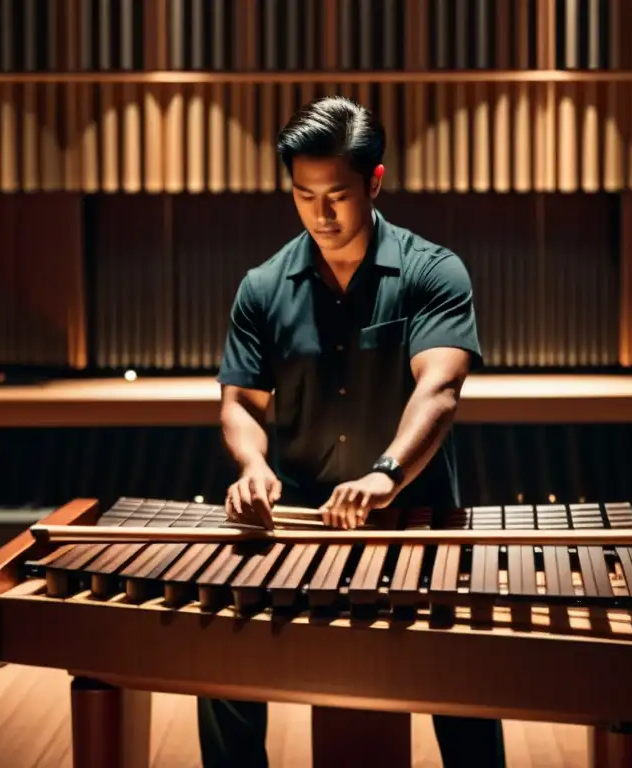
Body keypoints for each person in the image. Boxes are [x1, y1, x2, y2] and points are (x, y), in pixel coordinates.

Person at [203, 96, 505, 767]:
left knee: (464, 695)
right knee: (220, 661)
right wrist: (253, 467)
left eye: (337, 194)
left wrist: (385, 473)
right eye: (303, 196)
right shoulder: (261, 286)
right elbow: (241, 405)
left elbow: (441, 389)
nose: (321, 214)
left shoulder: (434, 271)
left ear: (374, 181)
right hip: (299, 522)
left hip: (413, 519)